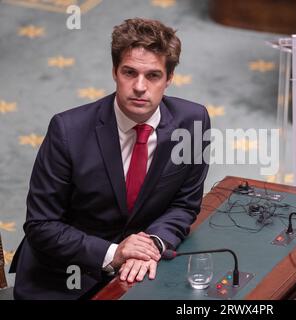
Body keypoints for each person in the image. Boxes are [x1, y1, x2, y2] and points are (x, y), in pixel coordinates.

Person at [10, 18, 210, 299]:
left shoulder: (194, 122)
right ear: (115, 71)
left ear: (169, 78)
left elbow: (185, 204)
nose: (140, 87)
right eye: (130, 72)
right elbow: (41, 225)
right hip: (64, 274)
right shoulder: (67, 130)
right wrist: (115, 253)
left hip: (142, 269)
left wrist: (151, 243)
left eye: (153, 75)